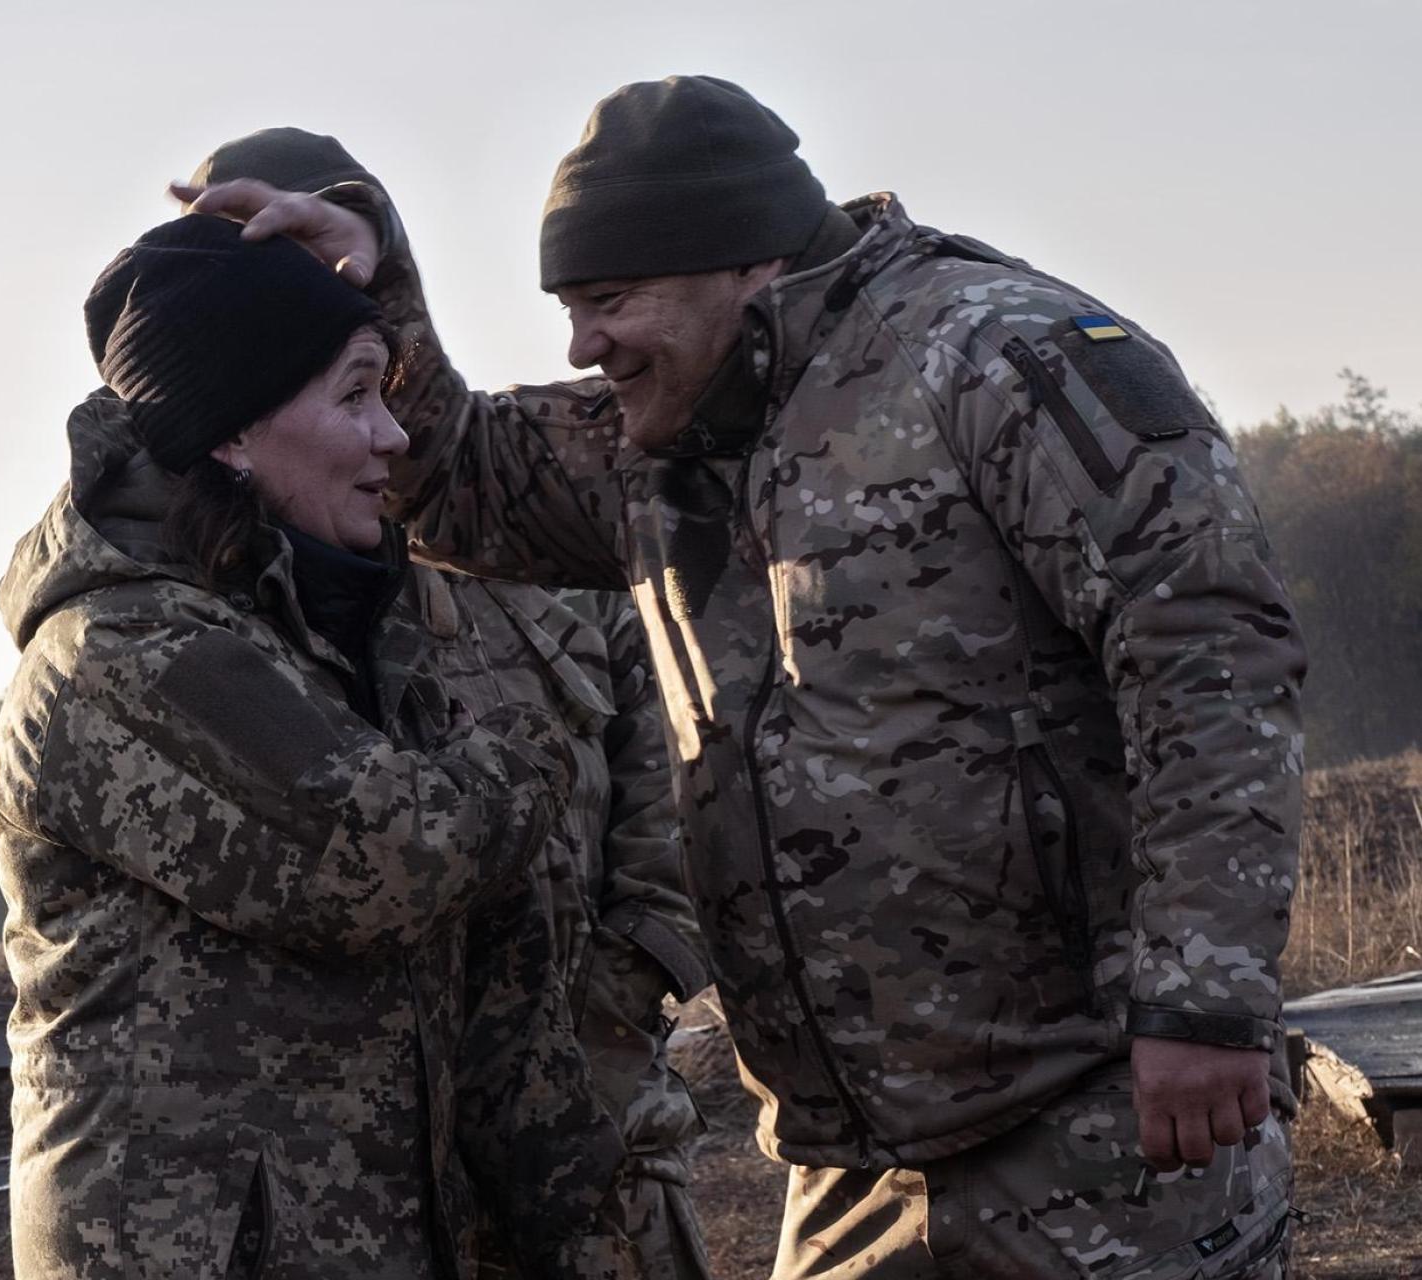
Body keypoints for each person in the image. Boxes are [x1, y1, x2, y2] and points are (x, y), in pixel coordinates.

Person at [179, 74, 1308, 1279]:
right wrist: (377, 273)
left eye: (610, 301)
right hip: (849, 1165)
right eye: (568, 306)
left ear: (743, 266)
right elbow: (453, 478)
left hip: (1099, 1129)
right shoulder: (652, 435)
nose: (581, 343)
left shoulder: (996, 357)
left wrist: (1202, 999)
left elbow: (1209, 653)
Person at [0, 212, 632, 1279]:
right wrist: (530, 739)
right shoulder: (123, 652)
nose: (395, 437)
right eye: (356, 395)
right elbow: (387, 859)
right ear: (232, 432)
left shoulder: (323, 625)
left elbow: (485, 997)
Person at [188, 128, 716, 1280]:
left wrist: (612, 1010)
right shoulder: (203, 608)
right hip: (389, 1188)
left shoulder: (512, 520)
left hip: (604, 1147)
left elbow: (675, 780)